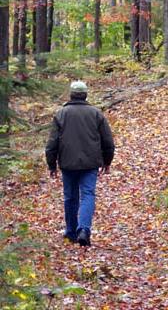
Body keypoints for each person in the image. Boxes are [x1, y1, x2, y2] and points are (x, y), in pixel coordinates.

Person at [45, 81, 115, 247]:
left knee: (70, 197)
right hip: (90, 163)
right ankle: (84, 229)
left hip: (67, 163)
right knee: (88, 194)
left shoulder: (61, 114)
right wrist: (107, 161)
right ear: (85, 95)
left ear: (71, 94)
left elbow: (52, 143)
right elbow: (108, 141)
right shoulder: (96, 113)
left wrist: (52, 165)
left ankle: (70, 233)